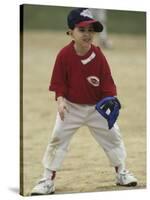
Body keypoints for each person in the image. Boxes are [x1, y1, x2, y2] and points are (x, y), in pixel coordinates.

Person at [31, 8, 137, 195]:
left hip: (97, 108)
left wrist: (110, 98)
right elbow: (59, 83)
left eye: (91, 30)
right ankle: (47, 180)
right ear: (70, 32)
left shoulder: (98, 55)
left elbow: (107, 80)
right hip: (71, 108)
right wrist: (61, 101)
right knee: (57, 140)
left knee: (113, 137)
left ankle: (121, 172)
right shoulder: (64, 55)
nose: (87, 34)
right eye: (82, 30)